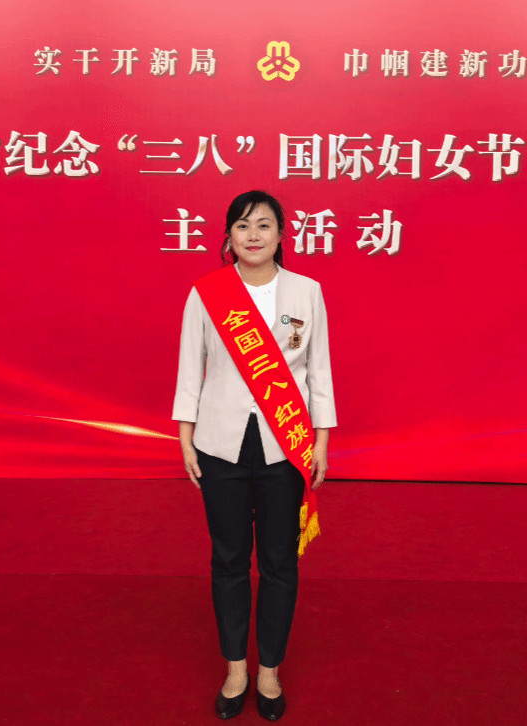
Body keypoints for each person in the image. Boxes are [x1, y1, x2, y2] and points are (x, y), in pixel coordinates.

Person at [172, 190, 336, 721]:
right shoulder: (207, 293)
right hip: (219, 443)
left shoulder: (307, 291)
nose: (253, 235)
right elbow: (190, 367)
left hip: (284, 444)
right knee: (228, 559)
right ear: (229, 237)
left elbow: (319, 371)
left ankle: (269, 669)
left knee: (279, 561)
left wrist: (321, 440)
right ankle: (235, 668)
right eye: (242, 226)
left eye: (264, 225)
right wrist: (185, 435)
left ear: (282, 234)